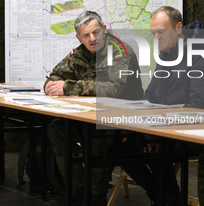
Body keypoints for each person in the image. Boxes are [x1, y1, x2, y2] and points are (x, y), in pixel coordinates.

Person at [121, 6, 204, 205]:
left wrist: (159, 127)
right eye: (153, 33)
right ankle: (164, 196)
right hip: (168, 127)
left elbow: (198, 106)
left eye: (161, 32)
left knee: (154, 146)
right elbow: (151, 96)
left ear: (178, 28)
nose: (157, 38)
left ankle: (168, 198)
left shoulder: (201, 54)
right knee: (119, 144)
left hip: (198, 130)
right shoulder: (167, 54)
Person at [45, 11, 144, 205]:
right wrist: (52, 84)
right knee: (56, 129)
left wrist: (68, 87)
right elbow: (54, 76)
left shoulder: (120, 51)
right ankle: (77, 189)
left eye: (96, 32)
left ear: (105, 30)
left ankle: (96, 195)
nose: (92, 38)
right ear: (79, 38)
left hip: (123, 118)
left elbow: (113, 88)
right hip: (91, 115)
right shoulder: (80, 53)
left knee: (97, 136)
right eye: (86, 35)